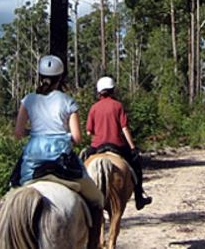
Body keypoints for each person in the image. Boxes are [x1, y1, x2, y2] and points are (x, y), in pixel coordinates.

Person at [12, 55, 104, 249]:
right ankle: (94, 244)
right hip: (62, 162)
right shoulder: (68, 102)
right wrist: (62, 136)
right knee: (97, 199)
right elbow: (78, 137)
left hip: (32, 162)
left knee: (10, 195)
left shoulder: (28, 100)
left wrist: (36, 132)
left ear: (40, 76)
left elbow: (18, 133)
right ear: (61, 78)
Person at [85, 76, 153, 210]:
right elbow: (124, 128)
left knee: (82, 165)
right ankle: (139, 197)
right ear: (112, 90)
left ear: (99, 91)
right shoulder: (118, 106)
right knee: (135, 165)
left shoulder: (94, 108)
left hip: (97, 146)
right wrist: (133, 148)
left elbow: (88, 132)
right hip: (117, 145)